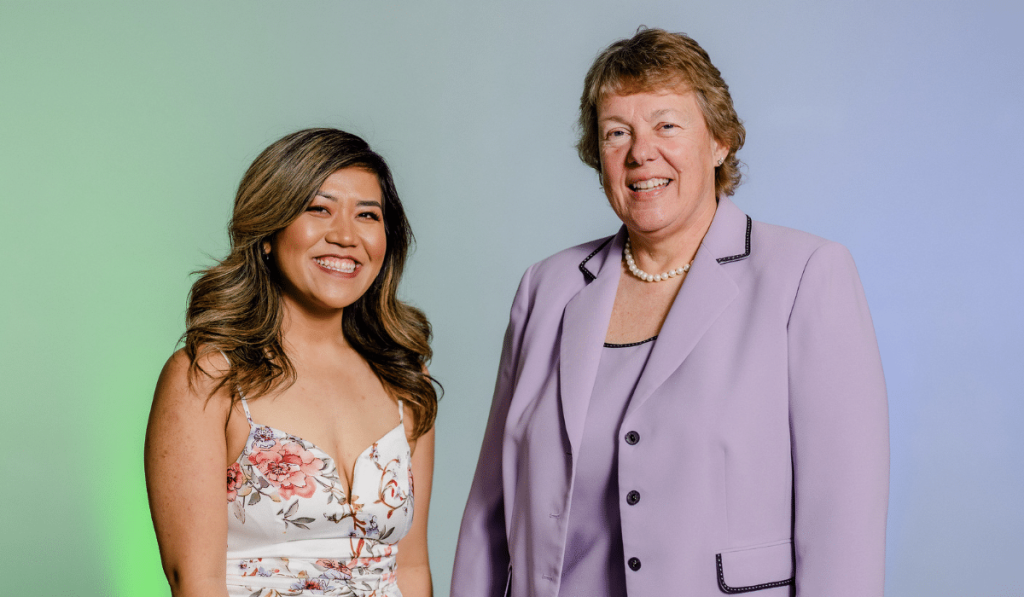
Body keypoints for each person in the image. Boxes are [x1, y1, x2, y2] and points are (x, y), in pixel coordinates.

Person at [451, 28, 888, 596]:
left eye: (667, 125)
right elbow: (490, 512)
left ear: (720, 142)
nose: (640, 152)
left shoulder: (805, 275)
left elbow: (843, 523)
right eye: (617, 133)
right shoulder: (547, 288)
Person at [145, 128, 438, 597]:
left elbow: (412, 568)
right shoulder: (209, 377)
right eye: (318, 208)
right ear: (268, 232)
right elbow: (194, 581)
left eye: (368, 215)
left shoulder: (405, 380)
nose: (345, 236)